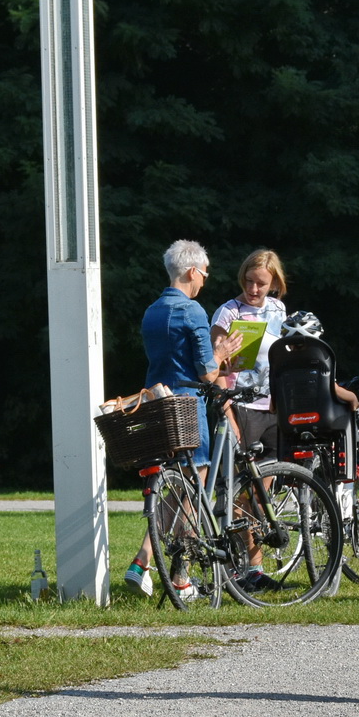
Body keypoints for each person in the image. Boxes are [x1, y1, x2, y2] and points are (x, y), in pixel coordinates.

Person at [122, 240, 232, 599]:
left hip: (156, 402)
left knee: (173, 485)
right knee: (194, 487)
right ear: (190, 271)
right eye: (204, 272)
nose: (205, 279)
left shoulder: (152, 310)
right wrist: (222, 353)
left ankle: (144, 562)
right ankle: (178, 575)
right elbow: (207, 373)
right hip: (187, 403)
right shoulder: (193, 311)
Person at [210, 249, 289, 457]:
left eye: (261, 284)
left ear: (274, 284)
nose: (253, 289)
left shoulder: (278, 309)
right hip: (241, 407)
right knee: (241, 479)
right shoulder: (229, 312)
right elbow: (214, 369)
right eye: (248, 281)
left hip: (273, 406)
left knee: (271, 473)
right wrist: (227, 415)